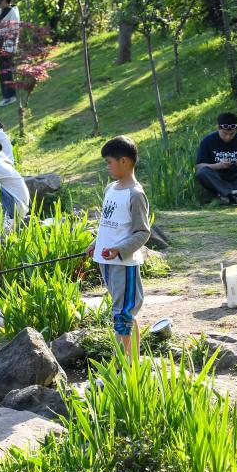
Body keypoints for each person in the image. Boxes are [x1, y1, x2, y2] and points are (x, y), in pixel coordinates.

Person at [86, 135, 151, 356]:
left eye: (109, 162)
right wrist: (97, 243)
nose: (107, 167)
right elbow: (108, 224)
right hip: (106, 261)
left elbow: (143, 232)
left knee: (123, 315)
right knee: (123, 313)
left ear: (124, 161)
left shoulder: (135, 195)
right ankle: (129, 364)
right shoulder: (110, 189)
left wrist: (120, 249)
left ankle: (122, 368)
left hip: (124, 264)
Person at [195, 112, 237, 206]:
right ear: (218, 128)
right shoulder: (208, 141)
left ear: (236, 129)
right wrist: (218, 165)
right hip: (217, 177)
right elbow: (199, 166)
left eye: (231, 134)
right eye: (224, 134)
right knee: (202, 173)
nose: (228, 137)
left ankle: (227, 194)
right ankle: (235, 194)